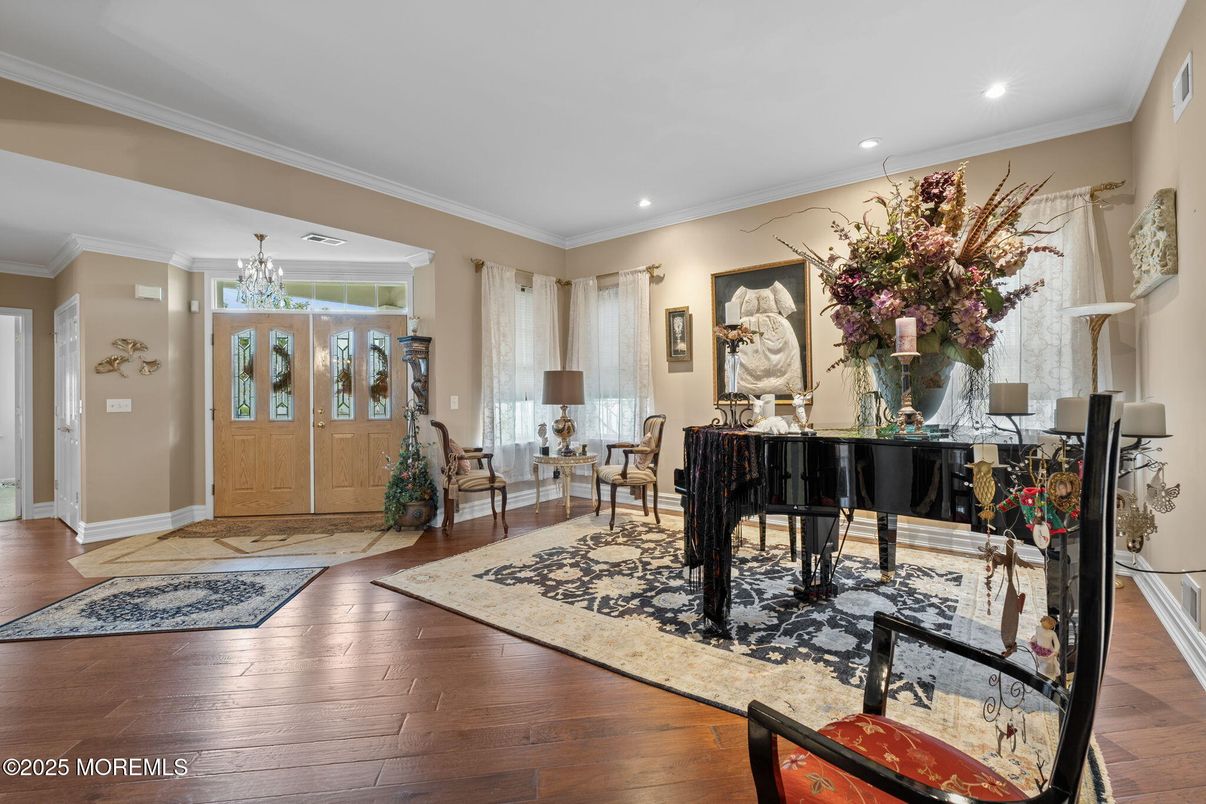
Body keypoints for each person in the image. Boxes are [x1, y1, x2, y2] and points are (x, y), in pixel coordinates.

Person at [728, 281, 803, 396]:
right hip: (747, 335)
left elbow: (788, 309)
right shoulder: (741, 293)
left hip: (775, 331)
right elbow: (732, 314)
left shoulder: (776, 289)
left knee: (782, 360)